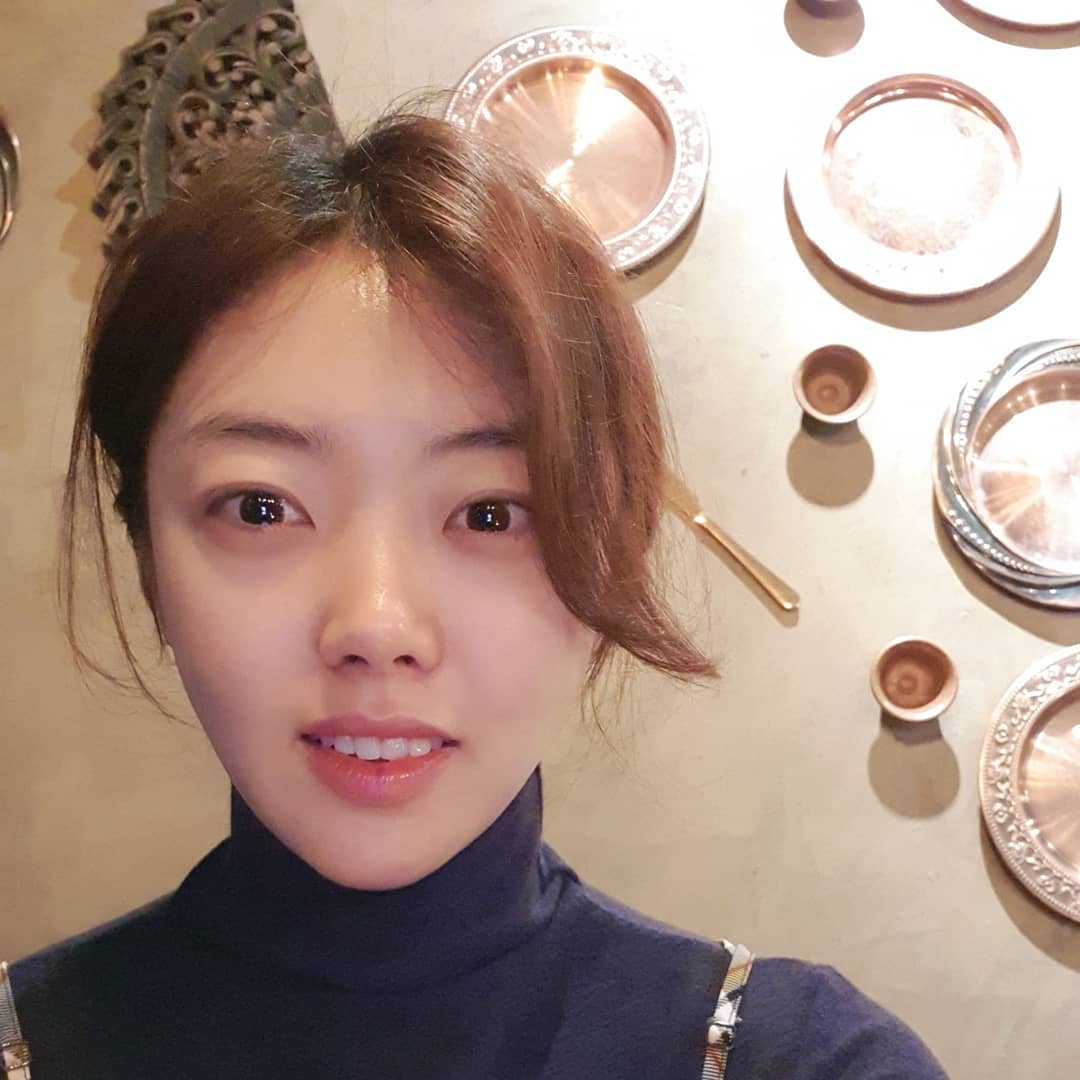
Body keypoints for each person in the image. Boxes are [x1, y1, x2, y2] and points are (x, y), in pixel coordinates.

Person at [6, 110, 948, 1079]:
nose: (377, 626)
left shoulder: (802, 1062)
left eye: (492, 514)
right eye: (260, 507)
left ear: (607, 554)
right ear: (148, 557)